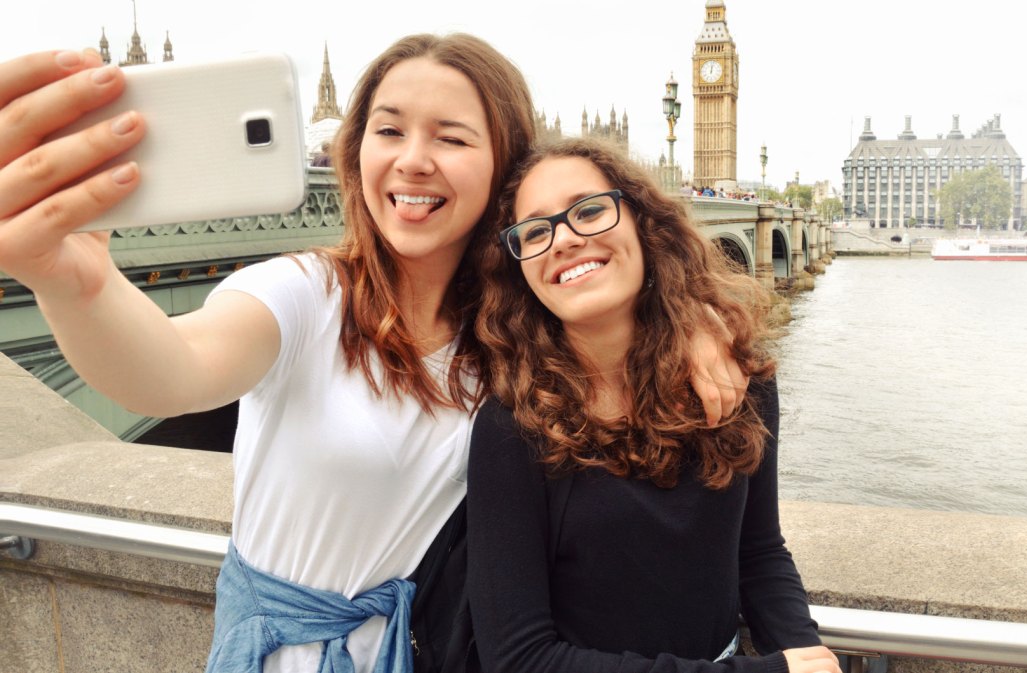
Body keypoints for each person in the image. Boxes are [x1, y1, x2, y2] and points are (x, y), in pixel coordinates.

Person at [0, 39, 746, 673]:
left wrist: (692, 326)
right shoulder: (304, 293)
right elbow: (169, 369)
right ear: (356, 151)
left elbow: (627, 315)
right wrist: (76, 285)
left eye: (452, 138)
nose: (413, 161)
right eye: (388, 131)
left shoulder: (517, 336)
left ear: (504, 173)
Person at [467, 137, 839, 673]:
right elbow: (519, 658)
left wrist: (807, 652)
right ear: (520, 267)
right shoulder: (514, 426)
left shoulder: (739, 381)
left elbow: (757, 553)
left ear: (643, 223)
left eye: (589, 210)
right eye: (536, 230)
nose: (565, 239)